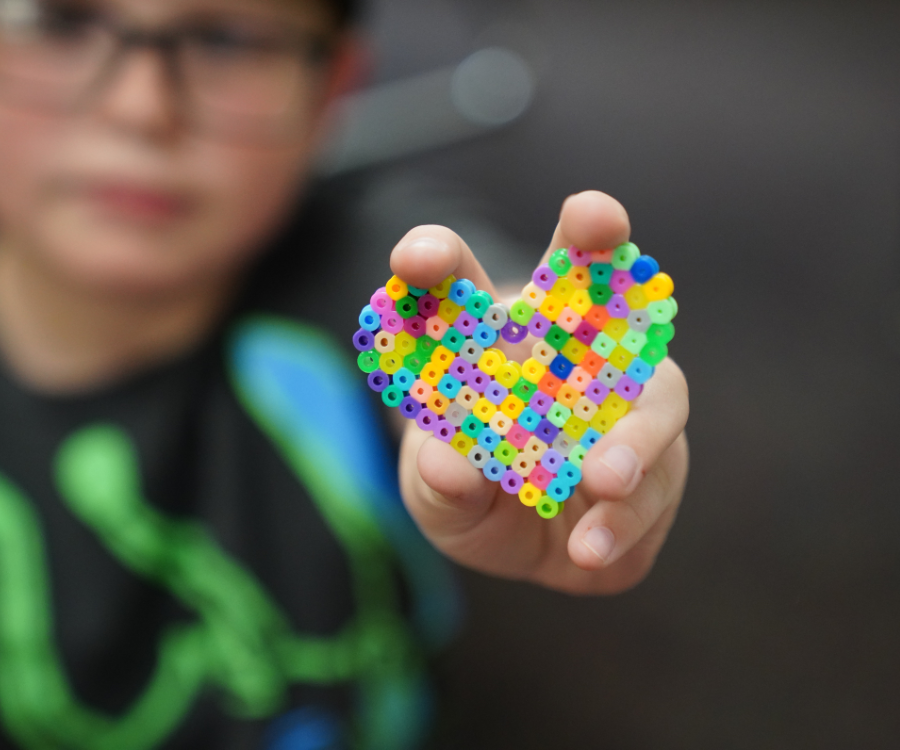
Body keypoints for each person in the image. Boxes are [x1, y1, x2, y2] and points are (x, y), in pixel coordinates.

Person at [0, 0, 690, 747]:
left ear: (331, 88)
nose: (140, 107)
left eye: (228, 40)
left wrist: (556, 394)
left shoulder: (364, 273)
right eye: (59, 21)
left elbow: (477, 300)